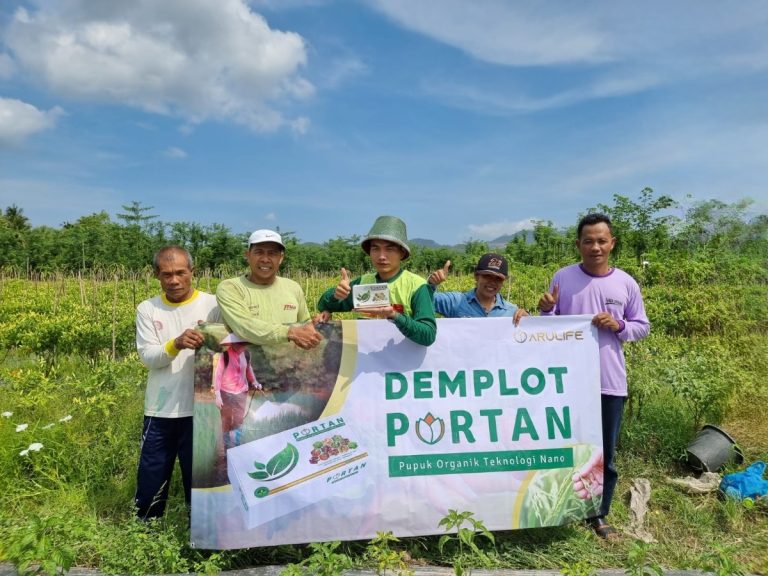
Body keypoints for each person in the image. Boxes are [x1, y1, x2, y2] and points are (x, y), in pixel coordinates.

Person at [538, 213, 650, 539]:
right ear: (578, 244)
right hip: (568, 382)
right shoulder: (563, 277)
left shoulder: (626, 283)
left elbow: (642, 327)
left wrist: (620, 326)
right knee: (566, 447)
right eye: (588, 241)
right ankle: (562, 506)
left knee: (606, 453)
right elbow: (548, 326)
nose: (595, 247)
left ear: (612, 243)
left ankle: (598, 514)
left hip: (609, 382)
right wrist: (545, 309)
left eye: (602, 240)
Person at [135, 245, 220, 520]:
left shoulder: (214, 305)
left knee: (199, 483)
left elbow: (229, 346)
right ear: (157, 275)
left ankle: (200, 537)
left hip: (203, 410)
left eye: (180, 273)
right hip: (161, 411)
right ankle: (145, 536)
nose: (174, 280)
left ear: (192, 272)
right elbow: (149, 357)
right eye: (166, 274)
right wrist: (176, 343)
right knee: (151, 481)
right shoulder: (148, 309)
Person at [316, 215, 436, 346]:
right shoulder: (362, 283)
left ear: (402, 253)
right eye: (375, 249)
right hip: (364, 363)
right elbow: (323, 305)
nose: (381, 256)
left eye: (389, 249)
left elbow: (428, 335)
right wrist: (335, 296)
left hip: (402, 364)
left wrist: (395, 316)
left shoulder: (417, 286)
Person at [215, 229, 322, 350]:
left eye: (272, 253)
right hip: (244, 366)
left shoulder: (293, 287)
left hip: (288, 366)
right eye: (258, 252)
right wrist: (290, 332)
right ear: (248, 255)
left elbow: (305, 324)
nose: (265, 259)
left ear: (281, 258)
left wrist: (315, 325)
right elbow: (244, 327)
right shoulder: (230, 288)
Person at [427, 253, 529, 324]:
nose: (492, 282)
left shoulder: (512, 311)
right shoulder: (456, 302)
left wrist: (528, 321)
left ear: (504, 281)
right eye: (487, 276)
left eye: (498, 278)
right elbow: (423, 301)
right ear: (476, 276)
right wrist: (431, 284)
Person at [213, 341, 260, 449]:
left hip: (242, 391)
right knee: (226, 420)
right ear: (233, 344)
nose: (243, 347)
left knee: (239, 420)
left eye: (244, 344)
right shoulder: (224, 356)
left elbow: (249, 368)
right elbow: (218, 375)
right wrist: (218, 395)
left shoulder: (247, 354)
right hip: (226, 392)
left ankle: (237, 445)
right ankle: (226, 447)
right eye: (240, 344)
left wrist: (254, 382)